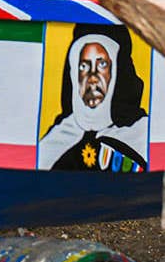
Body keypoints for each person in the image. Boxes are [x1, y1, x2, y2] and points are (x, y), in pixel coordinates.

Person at [38, 25, 148, 171]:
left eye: (102, 64)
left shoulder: (142, 133)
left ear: (117, 71)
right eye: (84, 66)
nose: (92, 78)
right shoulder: (57, 137)